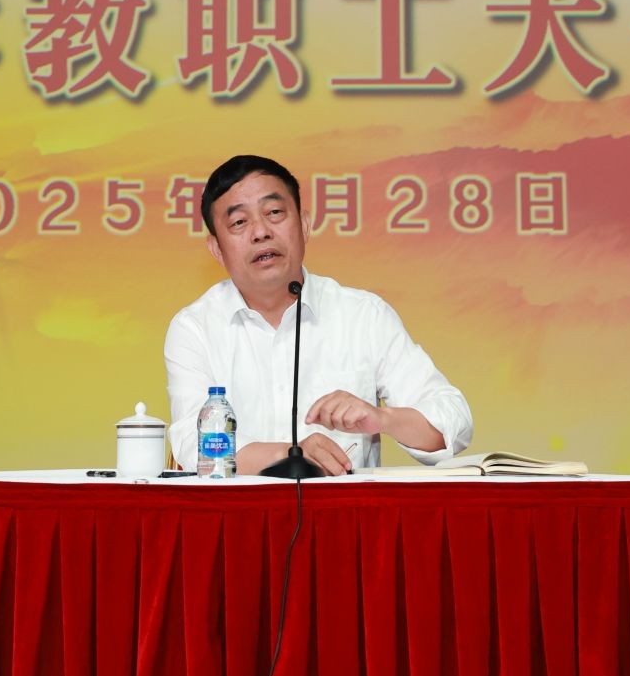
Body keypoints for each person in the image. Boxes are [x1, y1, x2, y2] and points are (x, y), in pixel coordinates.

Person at [163, 154, 473, 475]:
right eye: (239, 222)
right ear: (216, 249)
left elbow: (453, 422)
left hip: (345, 506)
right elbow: (192, 442)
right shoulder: (195, 327)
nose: (260, 232)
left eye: (274, 213)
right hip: (240, 507)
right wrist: (292, 455)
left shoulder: (363, 315)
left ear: (304, 225)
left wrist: (382, 418)